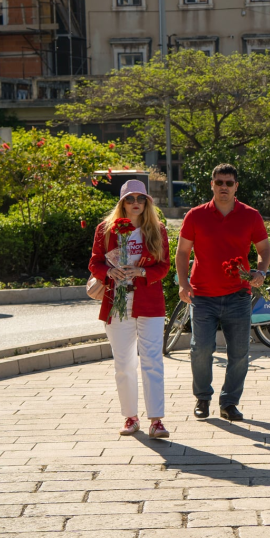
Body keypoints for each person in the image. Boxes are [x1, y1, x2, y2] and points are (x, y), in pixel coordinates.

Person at [176, 164, 270, 422]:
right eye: (219, 182)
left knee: (239, 353)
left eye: (229, 183)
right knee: (200, 349)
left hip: (238, 295)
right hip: (202, 296)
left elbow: (265, 250)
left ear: (236, 186)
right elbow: (183, 252)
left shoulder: (250, 215)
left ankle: (229, 402)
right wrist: (183, 284)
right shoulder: (195, 215)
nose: (224, 187)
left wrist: (260, 273)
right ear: (212, 185)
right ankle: (202, 398)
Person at [89, 180, 171, 439]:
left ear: (147, 202)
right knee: (124, 363)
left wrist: (142, 271)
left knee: (152, 361)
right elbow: (95, 263)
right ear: (122, 202)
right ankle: (131, 417)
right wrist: (108, 271)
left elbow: (164, 266)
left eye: (141, 198)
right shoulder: (105, 229)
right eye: (130, 198)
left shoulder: (156, 229)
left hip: (149, 301)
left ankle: (156, 421)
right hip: (117, 302)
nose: (136, 203)